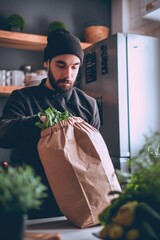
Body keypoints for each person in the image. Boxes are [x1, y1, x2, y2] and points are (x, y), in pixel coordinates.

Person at [0, 29, 100, 219]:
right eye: (61, 65)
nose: (68, 74)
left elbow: (93, 156)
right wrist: (41, 121)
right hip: (32, 202)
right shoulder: (22, 98)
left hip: (79, 202)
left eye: (74, 66)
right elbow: (3, 134)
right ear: (46, 63)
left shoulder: (89, 105)